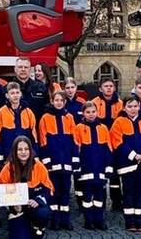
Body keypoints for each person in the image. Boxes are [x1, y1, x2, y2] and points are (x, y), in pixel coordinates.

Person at [111, 96, 141, 230]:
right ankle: (130, 221)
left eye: (135, 106)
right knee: (128, 192)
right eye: (129, 106)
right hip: (127, 165)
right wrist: (133, 155)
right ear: (124, 107)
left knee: (140, 192)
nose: (132, 109)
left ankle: (140, 221)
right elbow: (117, 142)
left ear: (139, 106)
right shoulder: (119, 122)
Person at [0, 136, 53, 239]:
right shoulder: (7, 169)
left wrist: (38, 200)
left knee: (43, 213)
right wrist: (13, 207)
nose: (24, 152)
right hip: (18, 210)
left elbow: (48, 188)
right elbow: (0, 193)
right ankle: (21, 224)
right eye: (20, 149)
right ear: (15, 151)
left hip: (34, 207)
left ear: (31, 150)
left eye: (26, 149)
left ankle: (38, 228)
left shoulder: (39, 166)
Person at [38, 90, 77, 230]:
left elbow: (74, 140)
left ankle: (65, 220)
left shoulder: (69, 118)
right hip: (53, 163)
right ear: (52, 102)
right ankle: (54, 219)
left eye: (61, 100)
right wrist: (47, 161)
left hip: (66, 162)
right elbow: (43, 141)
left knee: (66, 191)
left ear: (65, 102)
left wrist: (75, 159)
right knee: (54, 192)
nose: (59, 102)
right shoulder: (45, 118)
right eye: (56, 100)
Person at [72, 101, 112, 230]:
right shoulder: (78, 128)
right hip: (86, 168)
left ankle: (99, 220)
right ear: (83, 113)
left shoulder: (103, 128)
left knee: (100, 197)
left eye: (93, 112)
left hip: (100, 168)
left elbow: (108, 148)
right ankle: (88, 220)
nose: (91, 114)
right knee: (87, 197)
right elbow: (75, 149)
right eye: (88, 112)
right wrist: (77, 167)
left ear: (97, 112)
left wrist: (109, 166)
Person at [91, 77, 123, 210]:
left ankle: (116, 202)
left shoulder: (120, 104)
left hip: (116, 144)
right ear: (100, 89)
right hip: (100, 144)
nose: (108, 88)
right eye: (106, 86)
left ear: (114, 88)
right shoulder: (94, 103)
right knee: (100, 174)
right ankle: (101, 201)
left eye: (111, 86)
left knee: (115, 175)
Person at [0, 82, 38, 164]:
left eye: (17, 92)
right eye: (12, 93)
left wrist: (35, 155)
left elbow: (34, 137)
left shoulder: (29, 112)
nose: (15, 95)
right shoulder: (1, 112)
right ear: (7, 95)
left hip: (25, 156)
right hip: (8, 157)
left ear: (21, 94)